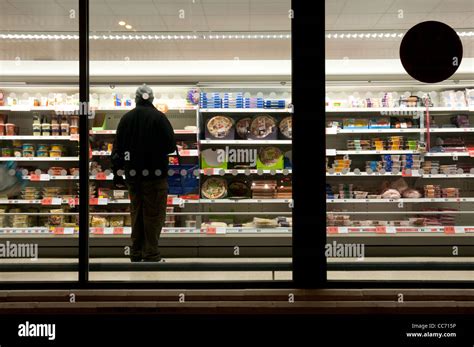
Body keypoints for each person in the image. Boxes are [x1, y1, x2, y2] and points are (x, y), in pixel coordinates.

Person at [112, 84, 176, 262]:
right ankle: (151, 254)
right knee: (154, 215)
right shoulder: (159, 118)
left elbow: (117, 148)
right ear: (152, 99)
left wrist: (117, 174)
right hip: (155, 176)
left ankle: (136, 252)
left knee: (136, 212)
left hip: (132, 175)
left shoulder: (126, 119)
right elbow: (171, 146)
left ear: (136, 99)